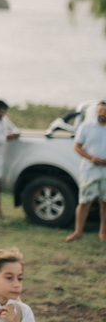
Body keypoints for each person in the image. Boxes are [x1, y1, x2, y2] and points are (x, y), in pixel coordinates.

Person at [66, 99, 106, 242]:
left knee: (104, 203)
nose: (103, 113)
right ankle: (78, 232)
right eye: (101, 110)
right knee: (85, 201)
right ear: (96, 111)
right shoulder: (86, 126)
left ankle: (103, 233)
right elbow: (77, 147)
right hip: (89, 170)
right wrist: (91, 158)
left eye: (105, 111)